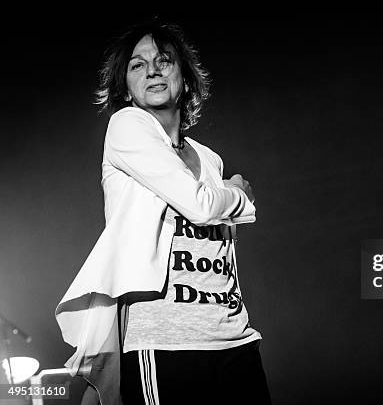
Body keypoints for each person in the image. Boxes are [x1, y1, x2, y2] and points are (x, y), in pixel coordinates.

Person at [55, 21, 271, 404]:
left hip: (234, 335)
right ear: (125, 87)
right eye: (138, 65)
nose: (153, 69)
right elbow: (204, 206)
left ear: (184, 79)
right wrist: (238, 195)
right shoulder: (126, 127)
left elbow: (221, 244)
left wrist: (226, 201)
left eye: (164, 60)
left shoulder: (209, 158)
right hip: (166, 340)